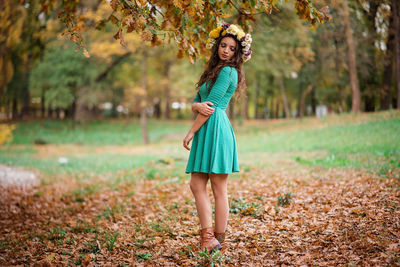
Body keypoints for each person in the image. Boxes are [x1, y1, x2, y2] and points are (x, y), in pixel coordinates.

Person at [183, 23, 252, 254]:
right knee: (197, 184)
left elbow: (210, 106)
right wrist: (196, 105)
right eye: (223, 45)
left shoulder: (228, 72)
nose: (226, 50)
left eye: (232, 48)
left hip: (215, 128)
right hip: (207, 127)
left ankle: (214, 240)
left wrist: (191, 131)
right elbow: (197, 102)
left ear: (237, 52)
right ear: (217, 47)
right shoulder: (213, 70)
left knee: (219, 187)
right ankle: (209, 237)